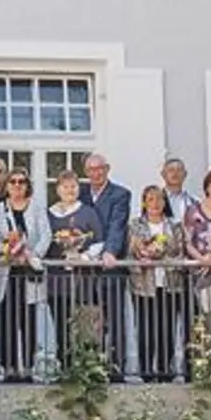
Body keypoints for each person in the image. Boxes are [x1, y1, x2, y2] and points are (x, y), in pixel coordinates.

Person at [0, 167, 53, 382]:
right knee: (7, 319)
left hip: (28, 270)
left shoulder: (36, 208)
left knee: (28, 320)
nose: (17, 186)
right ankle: (8, 366)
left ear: (27, 186)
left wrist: (32, 255)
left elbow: (46, 235)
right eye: (13, 182)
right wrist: (7, 251)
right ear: (7, 186)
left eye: (21, 182)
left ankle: (27, 366)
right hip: (6, 271)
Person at [126, 186, 187, 383]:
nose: (155, 204)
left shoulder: (174, 225)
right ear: (144, 202)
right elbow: (129, 254)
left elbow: (180, 253)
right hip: (144, 286)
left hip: (170, 284)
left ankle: (164, 370)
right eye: (150, 199)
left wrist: (163, 255)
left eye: (159, 199)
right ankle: (145, 371)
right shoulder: (135, 225)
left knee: (167, 329)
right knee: (145, 329)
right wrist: (142, 259)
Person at [79, 153, 131, 379]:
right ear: (85, 172)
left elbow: (117, 225)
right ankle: (88, 364)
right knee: (88, 317)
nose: (96, 173)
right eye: (91, 169)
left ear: (107, 169)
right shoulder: (79, 194)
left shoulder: (120, 194)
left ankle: (116, 366)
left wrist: (109, 251)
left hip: (110, 266)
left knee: (114, 318)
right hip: (86, 268)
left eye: (100, 168)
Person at [45, 170, 103, 371]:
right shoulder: (49, 213)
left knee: (84, 321)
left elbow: (99, 241)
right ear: (58, 189)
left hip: (82, 278)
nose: (70, 190)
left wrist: (84, 256)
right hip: (57, 280)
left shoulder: (88, 212)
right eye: (65, 186)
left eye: (73, 186)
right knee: (61, 323)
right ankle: (65, 364)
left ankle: (86, 365)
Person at [159, 158, 196, 223]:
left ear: (185, 174)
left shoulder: (194, 201)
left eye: (179, 170)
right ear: (163, 174)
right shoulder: (155, 200)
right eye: (171, 170)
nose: (175, 173)